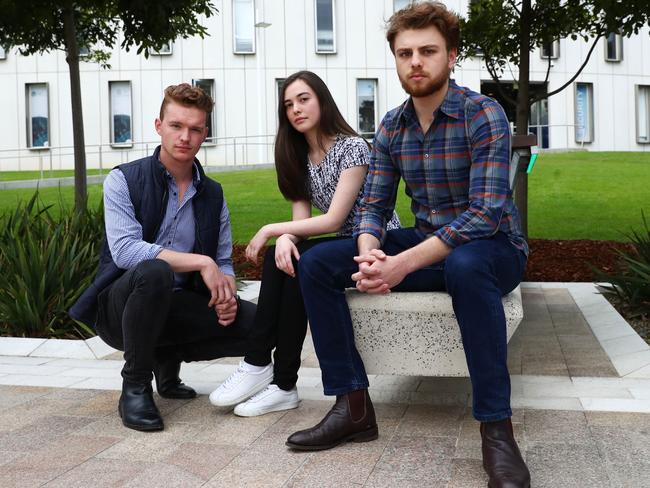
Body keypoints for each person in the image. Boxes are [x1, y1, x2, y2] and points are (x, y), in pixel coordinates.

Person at [285, 3, 531, 487]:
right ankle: (352, 406)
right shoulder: (393, 126)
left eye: (427, 51)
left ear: (451, 56)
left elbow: (482, 213)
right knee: (316, 264)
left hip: (494, 247)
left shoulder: (483, 114)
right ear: (396, 60)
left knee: (464, 265)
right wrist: (370, 252)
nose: (415, 61)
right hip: (425, 241)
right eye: (405, 53)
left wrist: (399, 266)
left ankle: (496, 429)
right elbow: (374, 205)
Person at [208, 70, 400, 417]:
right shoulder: (298, 155)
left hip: (375, 243)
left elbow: (333, 219)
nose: (295, 109)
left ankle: (268, 372)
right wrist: (286, 237)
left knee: (295, 258)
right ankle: (275, 380)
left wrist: (271, 229)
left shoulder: (352, 147)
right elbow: (302, 224)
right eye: (288, 104)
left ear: (322, 100)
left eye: (303, 99)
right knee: (283, 258)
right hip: (340, 245)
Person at [70, 83, 256, 432]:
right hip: (121, 307)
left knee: (261, 324)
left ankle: (166, 356)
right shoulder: (123, 179)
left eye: (195, 129)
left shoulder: (213, 194)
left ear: (204, 133)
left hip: (179, 304)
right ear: (159, 125)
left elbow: (223, 261)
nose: (185, 136)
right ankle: (136, 387)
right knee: (155, 272)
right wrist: (201, 263)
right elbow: (125, 251)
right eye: (176, 126)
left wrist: (226, 293)